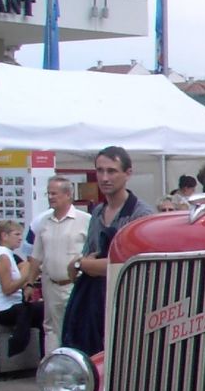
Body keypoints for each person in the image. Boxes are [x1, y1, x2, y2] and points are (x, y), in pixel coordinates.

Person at [61, 147, 157, 355]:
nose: (105, 178)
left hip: (129, 305)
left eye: (112, 171)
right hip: (96, 304)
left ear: (128, 173)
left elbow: (129, 264)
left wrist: (82, 264)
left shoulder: (141, 215)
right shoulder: (97, 212)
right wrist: (84, 264)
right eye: (100, 171)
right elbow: (89, 255)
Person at [22, 177, 91, 356]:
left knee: (75, 326)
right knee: (51, 329)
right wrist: (29, 283)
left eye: (54, 193)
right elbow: (36, 257)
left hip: (75, 285)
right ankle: (53, 371)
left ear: (68, 195)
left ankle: (75, 369)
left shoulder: (86, 220)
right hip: (51, 284)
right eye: (49, 193)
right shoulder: (43, 223)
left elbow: (93, 252)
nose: (50, 197)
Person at [0, 221, 42, 358]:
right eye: (17, 234)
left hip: (13, 304)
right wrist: (26, 277)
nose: (21, 238)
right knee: (29, 309)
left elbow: (25, 265)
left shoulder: (10, 255)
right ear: (4, 236)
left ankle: (43, 355)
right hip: (3, 308)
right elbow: (7, 288)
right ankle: (17, 343)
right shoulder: (2, 256)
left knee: (42, 312)